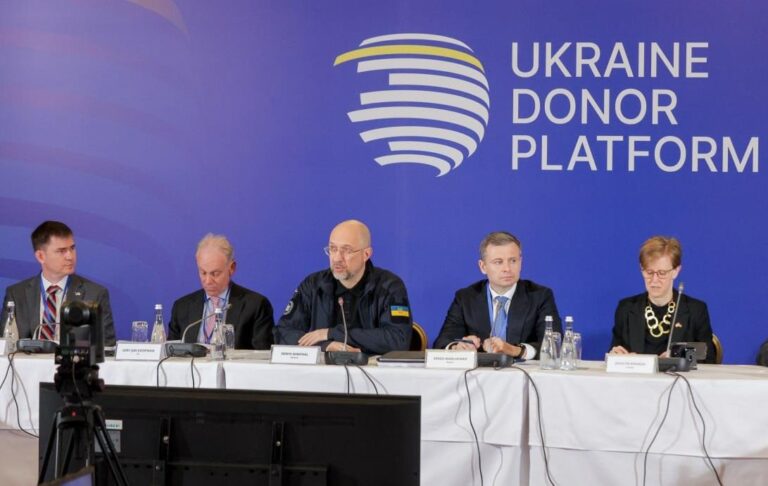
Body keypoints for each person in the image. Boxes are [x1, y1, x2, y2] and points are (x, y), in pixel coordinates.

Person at [274, 220, 412, 355]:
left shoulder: (389, 286)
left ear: (366, 254)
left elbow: (398, 339)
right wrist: (325, 346)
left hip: (371, 368)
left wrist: (331, 333)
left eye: (347, 250)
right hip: (323, 368)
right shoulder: (313, 285)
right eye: (333, 249)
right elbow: (283, 333)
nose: (337, 258)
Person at [433, 231, 561, 359]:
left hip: (522, 370)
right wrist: (457, 347)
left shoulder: (540, 296)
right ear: (483, 266)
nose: (507, 269)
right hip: (478, 371)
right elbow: (442, 343)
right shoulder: (465, 298)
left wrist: (515, 350)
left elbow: (553, 347)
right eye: (498, 262)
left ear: (520, 262)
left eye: (513, 261)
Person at [1, 220, 116, 346]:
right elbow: (5, 344)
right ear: (40, 256)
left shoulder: (95, 294)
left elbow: (106, 347)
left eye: (72, 248)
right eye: (61, 251)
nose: (70, 256)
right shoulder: (16, 294)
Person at [610, 236, 715, 363]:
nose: (654, 280)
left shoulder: (696, 310)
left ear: (676, 271)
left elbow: (708, 356)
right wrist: (615, 355)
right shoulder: (626, 308)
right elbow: (614, 352)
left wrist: (678, 354)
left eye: (662, 273)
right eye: (649, 272)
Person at [168, 234, 274, 349]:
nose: (208, 281)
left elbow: (262, 354)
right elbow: (171, 352)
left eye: (215, 273)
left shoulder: (256, 306)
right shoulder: (181, 307)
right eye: (203, 272)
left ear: (232, 268)